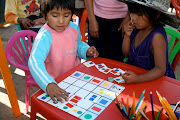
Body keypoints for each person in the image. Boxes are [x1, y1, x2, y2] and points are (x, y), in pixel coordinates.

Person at [28, 0, 99, 103]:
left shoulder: (73, 28)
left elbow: (77, 44)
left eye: (66, 15)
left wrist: (86, 50)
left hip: (74, 78)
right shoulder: (44, 36)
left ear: (71, 13)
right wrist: (48, 84)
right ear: (45, 15)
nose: (61, 21)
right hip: (55, 84)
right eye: (55, 16)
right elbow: (34, 62)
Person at [120, 0, 177, 84]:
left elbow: (160, 69)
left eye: (139, 14)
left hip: (156, 82)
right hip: (136, 75)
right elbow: (126, 54)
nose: (133, 18)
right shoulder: (136, 29)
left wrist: (138, 79)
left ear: (156, 14)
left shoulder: (157, 37)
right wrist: (127, 35)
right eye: (132, 12)